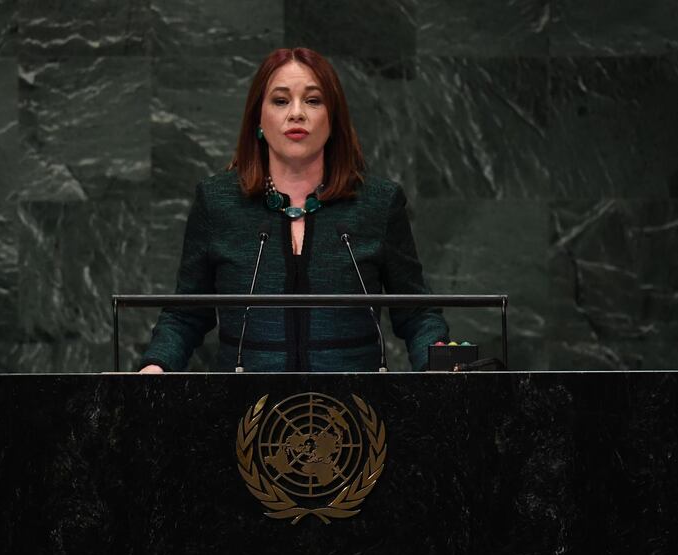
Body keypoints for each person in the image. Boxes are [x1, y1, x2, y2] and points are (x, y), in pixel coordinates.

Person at [139, 47, 447, 374]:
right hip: (246, 416)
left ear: (333, 119)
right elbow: (186, 314)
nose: (297, 113)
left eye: (313, 100)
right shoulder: (217, 202)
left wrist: (440, 362)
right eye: (281, 101)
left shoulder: (378, 203)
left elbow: (416, 313)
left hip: (353, 416)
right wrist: (155, 367)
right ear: (258, 119)